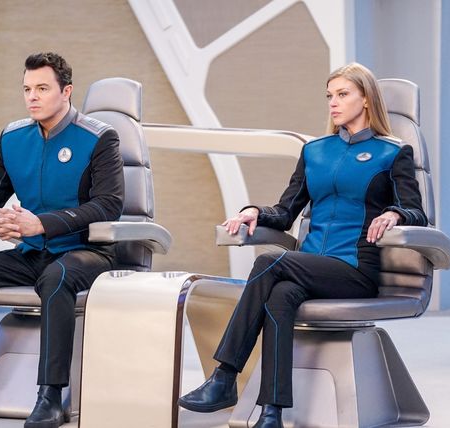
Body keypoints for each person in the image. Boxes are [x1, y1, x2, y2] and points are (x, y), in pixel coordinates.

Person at [177, 63, 427, 428]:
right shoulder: (315, 151)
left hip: (354, 269)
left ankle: (225, 376)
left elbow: (417, 211)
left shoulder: (392, 152)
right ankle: (272, 413)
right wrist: (254, 212)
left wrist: (395, 213)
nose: (333, 103)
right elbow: (285, 212)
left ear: (366, 99)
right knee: (280, 296)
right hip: (309, 266)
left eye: (343, 94)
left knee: (268, 262)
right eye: (329, 95)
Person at [0, 52, 124, 428]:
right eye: (27, 89)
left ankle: (50, 397)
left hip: (87, 251)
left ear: (66, 91)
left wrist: (42, 224)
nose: (32, 96)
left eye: (42, 88)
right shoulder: (13, 137)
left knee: (56, 278)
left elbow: (108, 205)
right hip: (33, 252)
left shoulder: (99, 137)